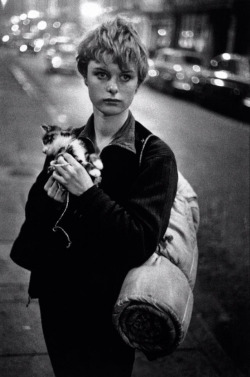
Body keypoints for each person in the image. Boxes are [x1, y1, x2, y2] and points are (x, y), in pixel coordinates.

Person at [10, 16, 178, 377]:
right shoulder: (66, 142)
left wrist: (87, 194)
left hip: (110, 310)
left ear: (138, 82)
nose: (113, 88)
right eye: (102, 75)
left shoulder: (154, 156)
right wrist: (49, 200)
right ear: (85, 76)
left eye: (125, 77)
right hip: (57, 299)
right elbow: (36, 219)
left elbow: (140, 241)